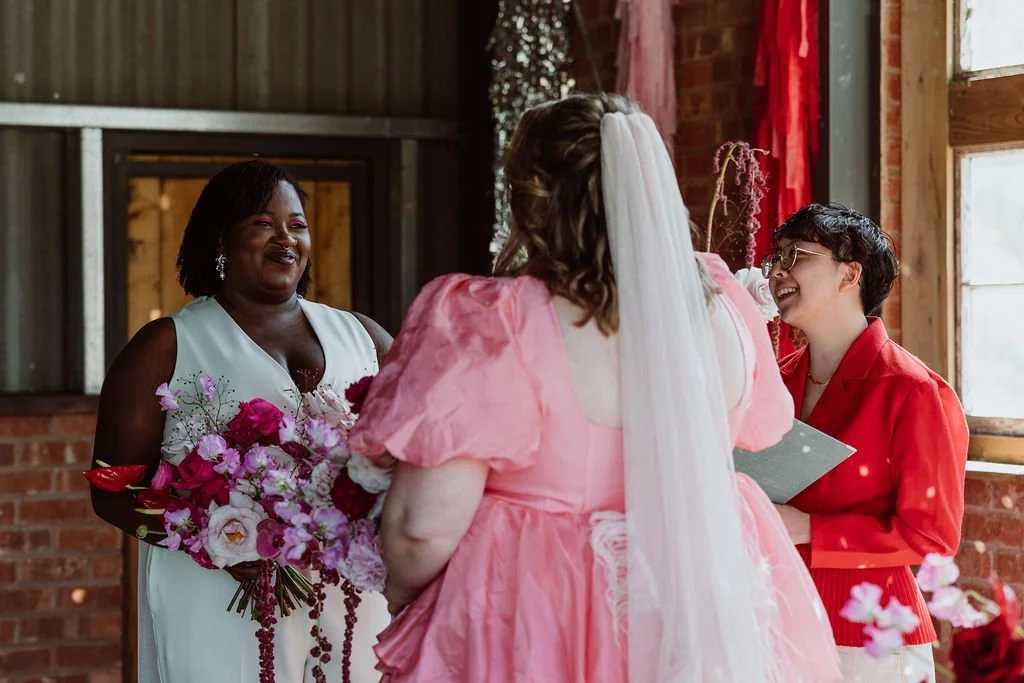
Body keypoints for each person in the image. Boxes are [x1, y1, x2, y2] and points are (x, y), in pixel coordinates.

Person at [347, 94, 840, 682]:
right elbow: (761, 428)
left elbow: (422, 525)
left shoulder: (496, 320)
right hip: (703, 603)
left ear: (534, 198)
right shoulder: (725, 303)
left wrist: (407, 599)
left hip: (538, 610)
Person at [89, 160, 391, 682]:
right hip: (217, 597)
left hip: (350, 595)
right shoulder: (167, 345)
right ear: (220, 239)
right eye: (262, 223)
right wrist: (209, 534)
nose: (285, 237)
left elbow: (423, 448)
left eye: (297, 224)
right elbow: (110, 490)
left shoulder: (362, 336)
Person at [765, 203, 969, 682]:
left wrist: (809, 528)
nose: (778, 270)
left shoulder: (914, 391)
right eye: (777, 255)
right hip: (775, 617)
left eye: (798, 255)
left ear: (848, 275)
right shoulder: (774, 382)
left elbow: (931, 536)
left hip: (868, 637)